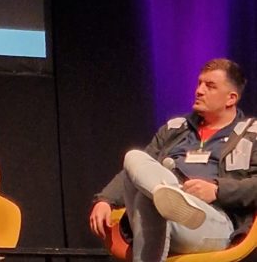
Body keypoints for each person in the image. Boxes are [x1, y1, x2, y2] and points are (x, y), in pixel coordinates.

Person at [89, 58, 257, 261]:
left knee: (146, 199)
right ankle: (168, 196)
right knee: (134, 158)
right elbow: (134, 171)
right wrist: (105, 200)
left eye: (210, 86)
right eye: (199, 83)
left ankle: (170, 200)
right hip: (163, 217)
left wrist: (217, 189)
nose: (199, 90)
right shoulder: (175, 129)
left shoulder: (251, 134)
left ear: (231, 98)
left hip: (212, 221)